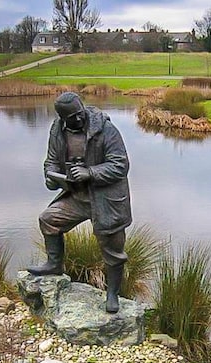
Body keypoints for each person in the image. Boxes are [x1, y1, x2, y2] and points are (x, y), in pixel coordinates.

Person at [27, 92, 132, 313]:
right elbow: (51, 161)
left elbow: (120, 165)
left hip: (107, 200)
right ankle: (54, 265)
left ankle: (113, 294)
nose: (78, 119)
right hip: (77, 197)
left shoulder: (106, 129)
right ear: (63, 118)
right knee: (48, 220)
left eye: (79, 113)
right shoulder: (57, 130)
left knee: (113, 252)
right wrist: (52, 177)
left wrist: (89, 172)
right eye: (72, 117)